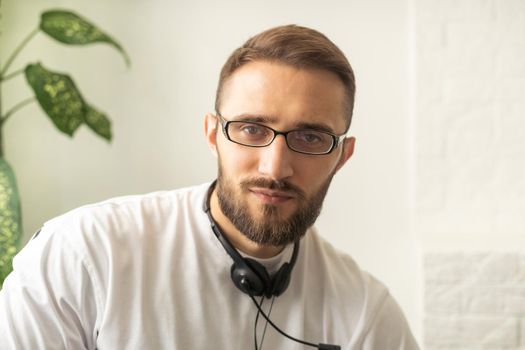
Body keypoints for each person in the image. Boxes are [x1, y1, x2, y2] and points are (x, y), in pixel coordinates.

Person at [0, 24, 419, 349]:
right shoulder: (83, 254)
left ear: (341, 157)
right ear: (212, 134)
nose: (276, 167)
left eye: (310, 137)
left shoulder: (366, 313)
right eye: (252, 129)